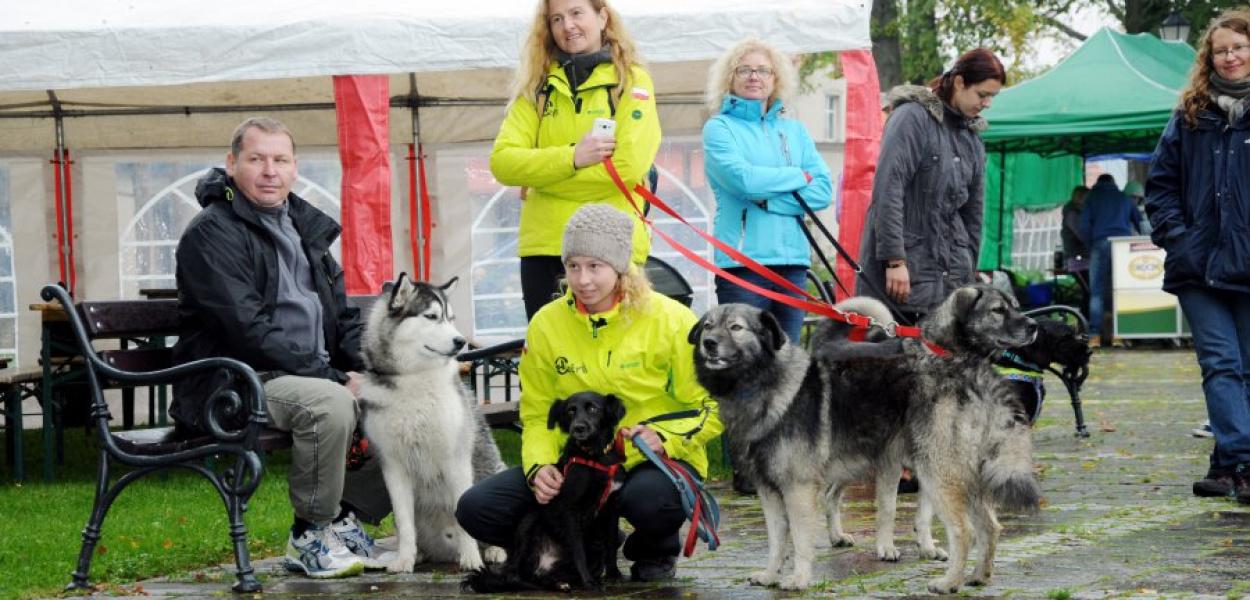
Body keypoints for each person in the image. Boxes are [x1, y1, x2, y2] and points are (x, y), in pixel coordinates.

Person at [456, 204, 723, 582]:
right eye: (573, 266)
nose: (583, 280)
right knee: (476, 508)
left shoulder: (671, 319)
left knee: (652, 502)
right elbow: (536, 413)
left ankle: (656, 549)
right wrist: (538, 467)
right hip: (579, 466)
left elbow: (710, 406)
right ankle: (595, 536)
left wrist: (663, 437)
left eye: (595, 266)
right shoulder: (547, 324)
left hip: (648, 460)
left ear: (620, 267)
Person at [173, 117, 389, 579]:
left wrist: (372, 368)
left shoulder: (303, 226)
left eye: (280, 160)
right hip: (234, 380)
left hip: (300, 371)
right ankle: (310, 532)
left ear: (295, 168)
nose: (269, 170)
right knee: (329, 403)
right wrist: (334, 378)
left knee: (399, 395)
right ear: (232, 165)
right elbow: (248, 329)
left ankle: (346, 516)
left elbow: (342, 317)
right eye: (256, 159)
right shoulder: (211, 234)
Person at [491, 0, 661, 320]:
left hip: (611, 248)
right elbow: (503, 163)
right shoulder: (536, 87)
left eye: (576, 13)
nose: (567, 25)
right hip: (546, 249)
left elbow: (628, 168)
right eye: (556, 19)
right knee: (552, 358)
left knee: (611, 361)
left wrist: (543, 179)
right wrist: (574, 157)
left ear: (602, 17)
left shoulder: (632, 80)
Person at [1145, 8, 1250, 505]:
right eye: (1221, 49)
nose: (1230, 57)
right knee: (1221, 363)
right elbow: (1160, 185)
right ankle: (1244, 459)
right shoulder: (1190, 113)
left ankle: (1229, 462)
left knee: (1247, 366)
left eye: (1238, 47)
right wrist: (1178, 238)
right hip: (1199, 265)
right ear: (1209, 58)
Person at [701, 37, 833, 344]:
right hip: (744, 264)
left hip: (793, 264)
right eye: (744, 70)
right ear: (729, 79)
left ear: (776, 79)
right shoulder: (719, 128)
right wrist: (797, 175)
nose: (754, 77)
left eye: (763, 71)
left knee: (788, 363)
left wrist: (769, 202)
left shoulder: (794, 131)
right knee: (744, 363)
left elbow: (822, 192)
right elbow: (745, 180)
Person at [858, 48, 1005, 324]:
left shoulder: (973, 140)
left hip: (951, 281)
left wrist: (968, 274)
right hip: (904, 274)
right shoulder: (911, 118)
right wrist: (895, 261)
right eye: (982, 94)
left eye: (992, 97)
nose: (987, 104)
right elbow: (888, 191)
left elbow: (974, 216)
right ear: (959, 83)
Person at [1080, 173, 1142, 345]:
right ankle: (1119, 335)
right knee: (1120, 290)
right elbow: (1140, 221)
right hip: (1122, 246)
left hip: (1099, 244)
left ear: (1098, 183)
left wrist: (1089, 245)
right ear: (1114, 183)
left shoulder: (1091, 198)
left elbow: (1083, 225)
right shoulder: (1124, 197)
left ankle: (1094, 336)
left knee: (1096, 292)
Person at [1060, 185, 1091, 316]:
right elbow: (1081, 234)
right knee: (1088, 292)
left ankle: (1084, 322)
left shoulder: (1077, 212)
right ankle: (1084, 322)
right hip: (1077, 259)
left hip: (1081, 259)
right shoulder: (1072, 213)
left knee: (1088, 292)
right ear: (1080, 197)